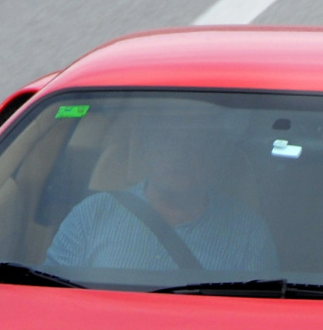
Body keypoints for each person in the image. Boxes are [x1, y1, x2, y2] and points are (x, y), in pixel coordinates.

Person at [46, 106, 276, 276]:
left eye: (194, 143)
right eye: (166, 140)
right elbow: (51, 298)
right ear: (147, 149)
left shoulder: (248, 235)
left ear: (213, 155)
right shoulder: (91, 215)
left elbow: (259, 321)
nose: (179, 154)